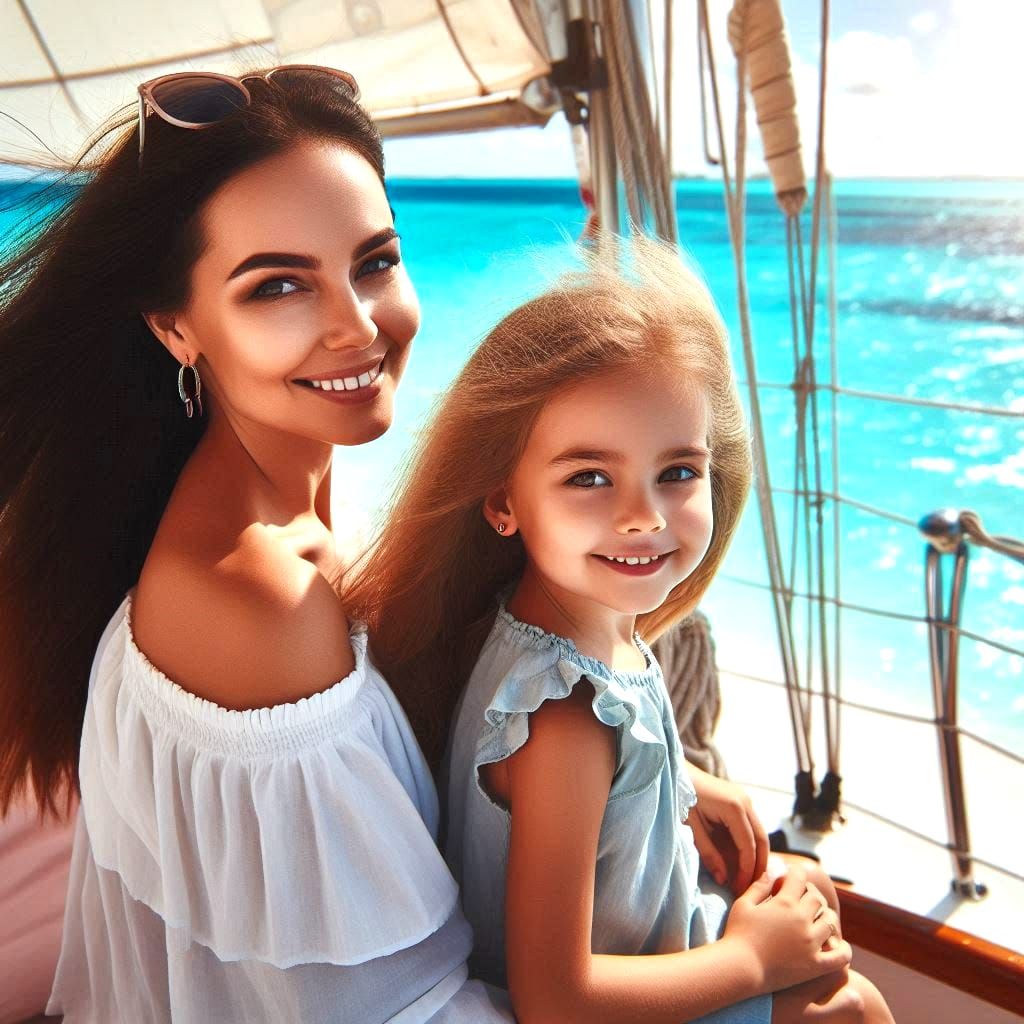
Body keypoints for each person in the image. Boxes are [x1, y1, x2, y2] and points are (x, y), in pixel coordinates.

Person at [0, 65, 514, 1022]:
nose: (357, 328)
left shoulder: (293, 486)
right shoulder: (252, 593)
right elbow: (401, 1008)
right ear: (177, 328)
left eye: (374, 262)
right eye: (278, 286)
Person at [343, 238, 895, 1024]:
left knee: (813, 898)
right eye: (589, 477)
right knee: (852, 1010)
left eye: (677, 472)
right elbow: (554, 998)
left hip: (651, 948)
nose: (644, 516)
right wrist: (748, 959)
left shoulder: (555, 630)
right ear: (503, 502)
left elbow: (584, 784)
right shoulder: (565, 716)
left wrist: (683, 784)